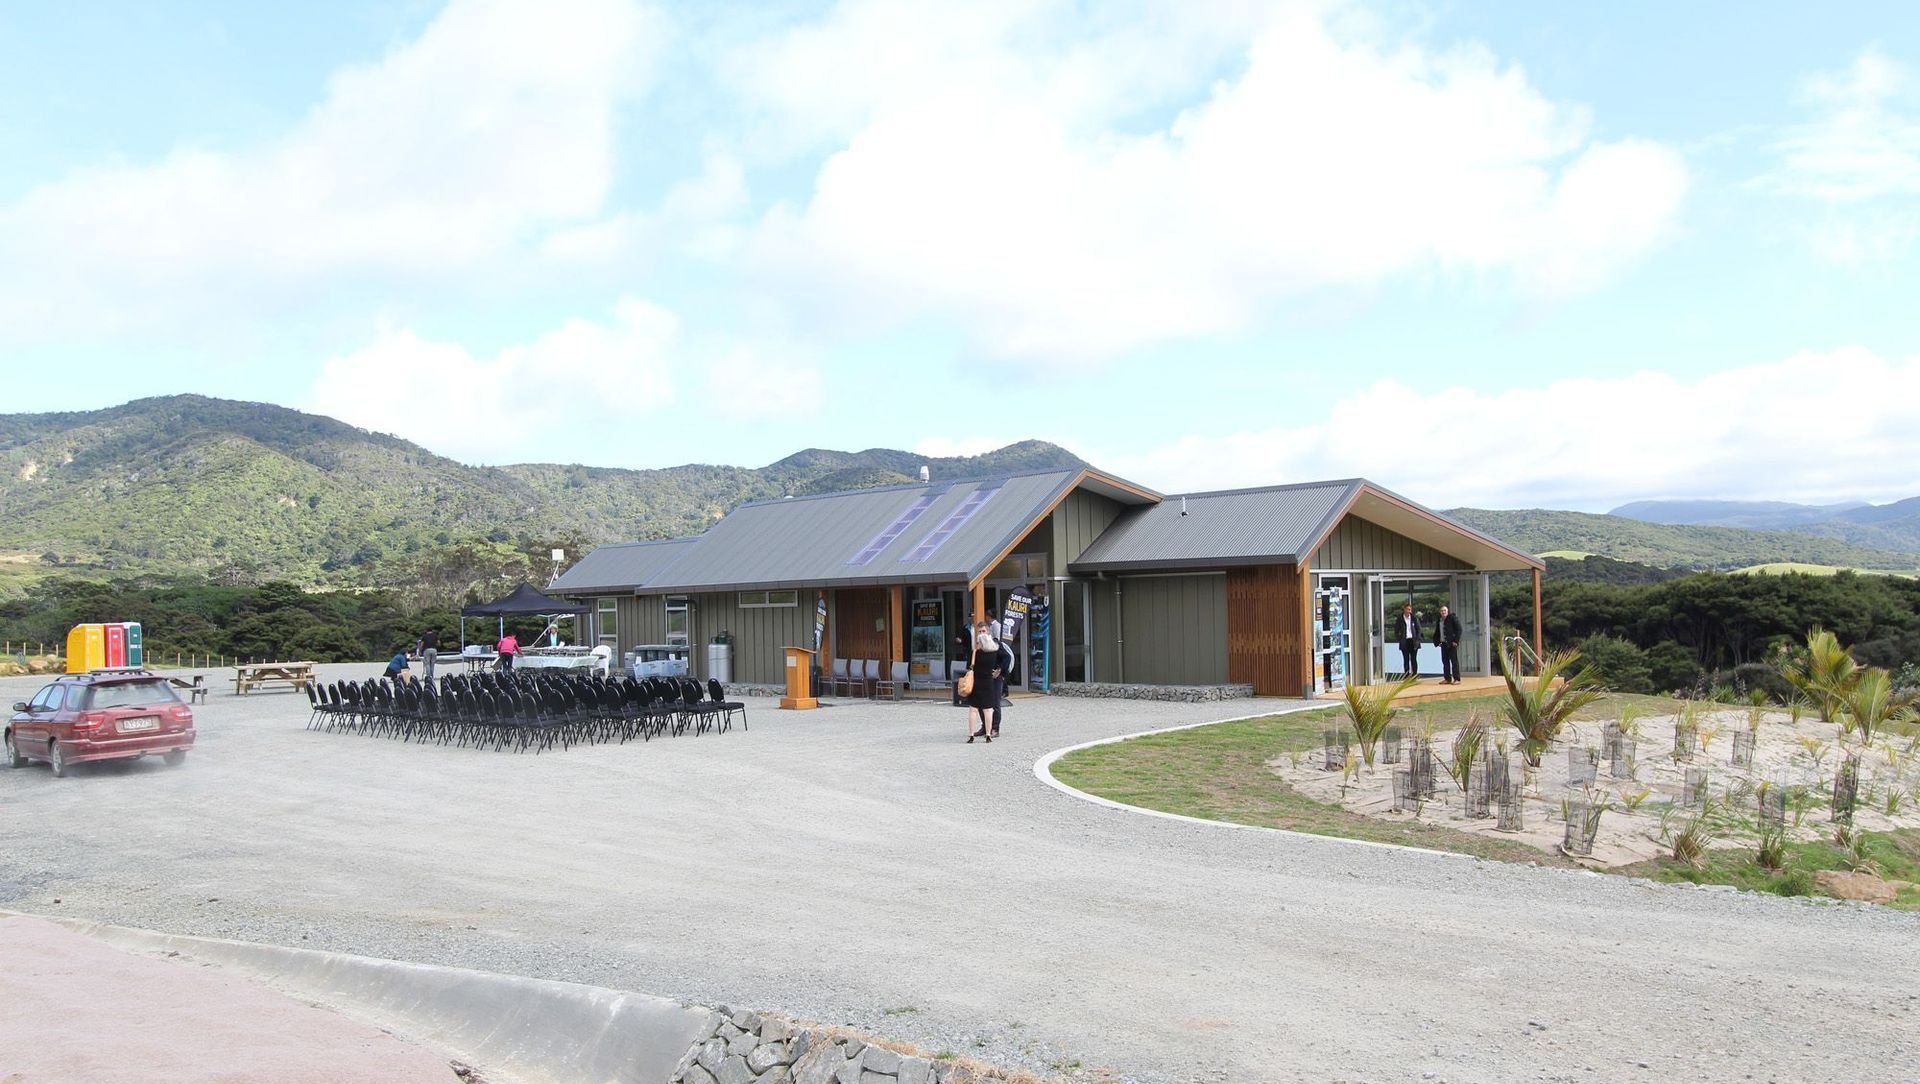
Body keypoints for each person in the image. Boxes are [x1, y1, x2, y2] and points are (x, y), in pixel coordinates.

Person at [965, 620, 1011, 743]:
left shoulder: (995, 644)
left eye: (983, 631)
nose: (982, 633)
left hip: (995, 678)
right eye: (979, 632)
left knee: (994, 703)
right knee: (980, 704)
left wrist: (999, 670)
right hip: (981, 679)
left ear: (988, 632)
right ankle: (985, 728)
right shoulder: (977, 647)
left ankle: (994, 728)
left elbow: (1007, 657)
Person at [1434, 605, 1463, 684]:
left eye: (1444, 610)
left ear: (1447, 611)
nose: (1443, 612)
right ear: (1440, 612)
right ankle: (1447, 678)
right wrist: (1437, 642)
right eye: (1442, 611)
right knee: (1445, 661)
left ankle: (1457, 679)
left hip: (1452, 644)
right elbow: (1437, 631)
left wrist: (1455, 641)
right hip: (1443, 643)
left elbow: (1459, 629)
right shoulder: (1439, 620)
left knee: (1454, 661)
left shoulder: (1452, 618)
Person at [1395, 603, 1422, 679]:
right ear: (1404, 609)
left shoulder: (1414, 618)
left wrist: (1418, 639)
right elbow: (1396, 630)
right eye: (1407, 609)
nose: (1409, 611)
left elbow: (1419, 629)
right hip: (1405, 641)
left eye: (1410, 609)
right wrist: (1399, 639)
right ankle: (1406, 676)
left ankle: (1414, 676)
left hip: (1413, 641)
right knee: (1406, 659)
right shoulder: (1400, 619)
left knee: (1414, 659)